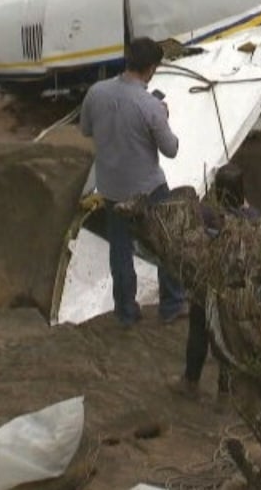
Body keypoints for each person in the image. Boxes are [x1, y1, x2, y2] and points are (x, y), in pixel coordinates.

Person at [80, 37, 187, 325]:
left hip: (112, 186)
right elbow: (171, 149)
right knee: (168, 243)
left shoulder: (96, 93)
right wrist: (164, 116)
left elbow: (85, 129)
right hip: (147, 187)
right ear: (151, 69)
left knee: (120, 249)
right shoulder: (150, 105)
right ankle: (171, 305)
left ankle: (126, 312)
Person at [168, 164, 259, 401]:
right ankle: (225, 391)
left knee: (199, 332)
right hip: (235, 289)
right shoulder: (251, 219)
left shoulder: (205, 215)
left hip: (205, 283)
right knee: (228, 338)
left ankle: (190, 381)